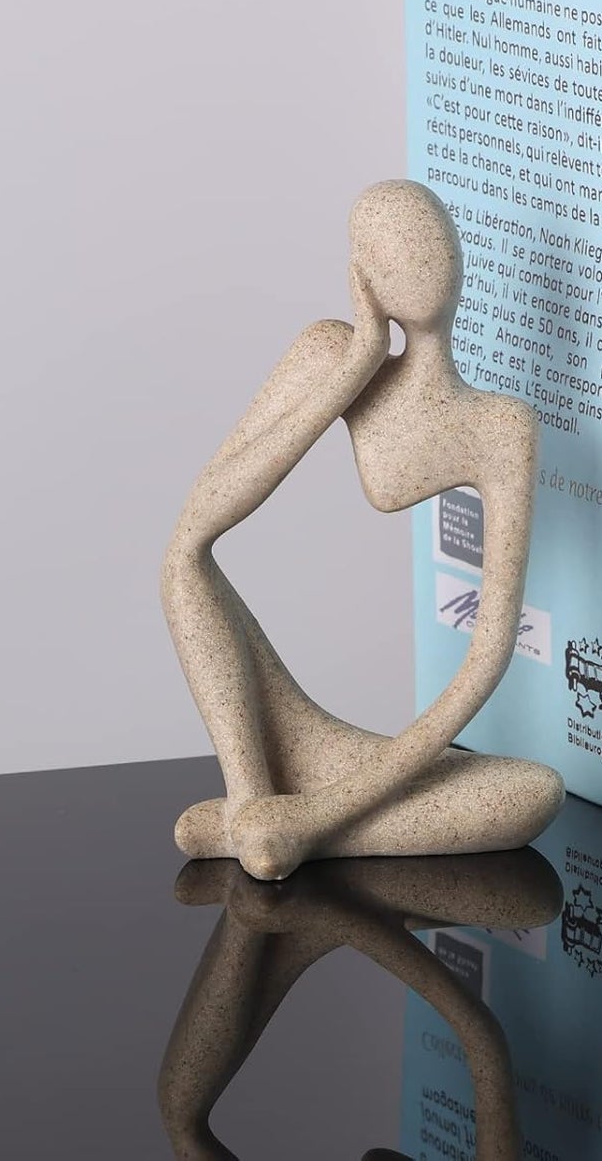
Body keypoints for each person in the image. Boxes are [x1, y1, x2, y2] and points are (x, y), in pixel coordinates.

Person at [161, 180, 562, 881]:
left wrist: (323, 812)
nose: (423, 261)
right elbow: (198, 525)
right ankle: (254, 800)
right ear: (362, 273)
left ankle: (271, 830)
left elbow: (488, 654)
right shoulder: (327, 355)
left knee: (533, 794)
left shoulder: (500, 427)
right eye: (393, 249)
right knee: (181, 567)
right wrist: (352, 369)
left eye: (436, 241)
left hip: (358, 767)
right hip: (279, 729)